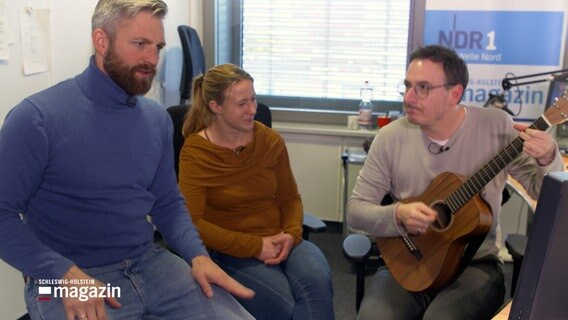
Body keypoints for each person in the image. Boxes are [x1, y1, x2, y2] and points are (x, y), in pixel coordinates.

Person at [0, 1, 256, 319]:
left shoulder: (156, 120)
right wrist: (63, 274)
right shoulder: (36, 118)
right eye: (139, 44)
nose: (151, 59)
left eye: (157, 47)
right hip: (63, 277)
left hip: (149, 263)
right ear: (101, 40)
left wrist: (197, 255)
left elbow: (166, 202)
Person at [347, 45, 564, 320]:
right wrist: (398, 214)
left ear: (455, 94)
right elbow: (355, 211)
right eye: (408, 86)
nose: (410, 97)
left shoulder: (496, 126)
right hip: (409, 258)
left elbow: (543, 195)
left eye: (423, 87)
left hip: (474, 264)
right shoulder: (390, 138)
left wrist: (547, 159)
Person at [178, 63, 335, 320]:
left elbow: (289, 198)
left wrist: (292, 234)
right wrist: (254, 246)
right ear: (216, 107)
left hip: (282, 239)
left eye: (254, 99)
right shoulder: (196, 153)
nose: (253, 109)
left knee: (317, 285)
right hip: (232, 249)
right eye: (242, 104)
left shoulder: (270, 140)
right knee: (286, 307)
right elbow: (194, 223)